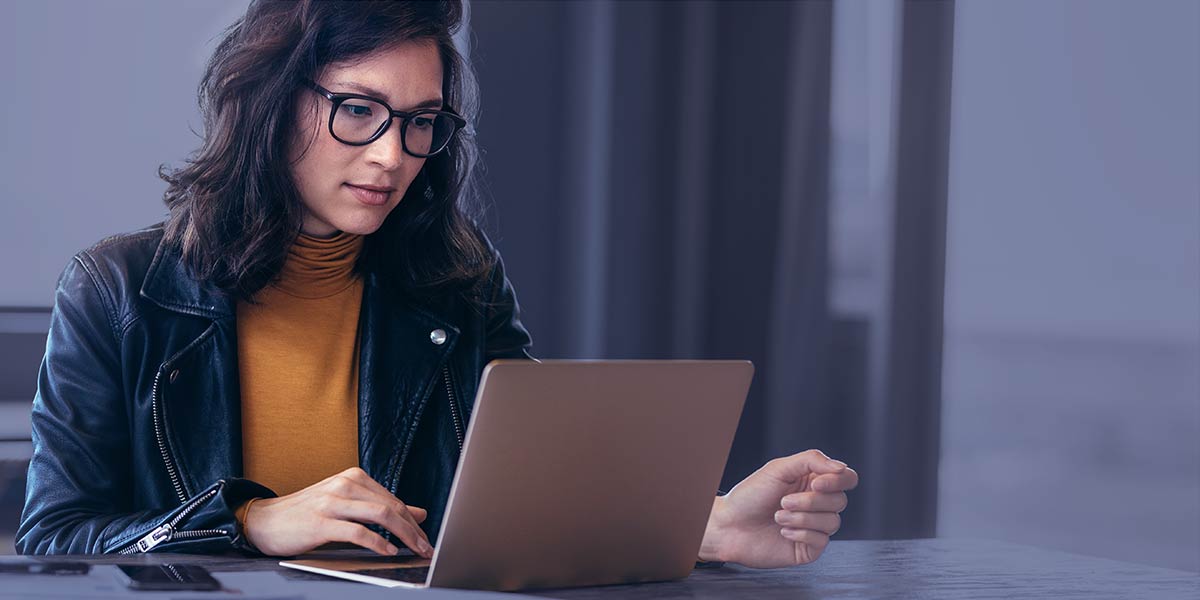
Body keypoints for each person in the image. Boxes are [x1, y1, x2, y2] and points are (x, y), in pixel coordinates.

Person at [16, 0, 858, 568]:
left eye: (422, 122)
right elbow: (56, 539)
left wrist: (702, 525)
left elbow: (532, 493)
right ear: (270, 103)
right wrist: (247, 523)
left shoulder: (456, 278)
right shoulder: (119, 291)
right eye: (358, 109)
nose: (393, 154)